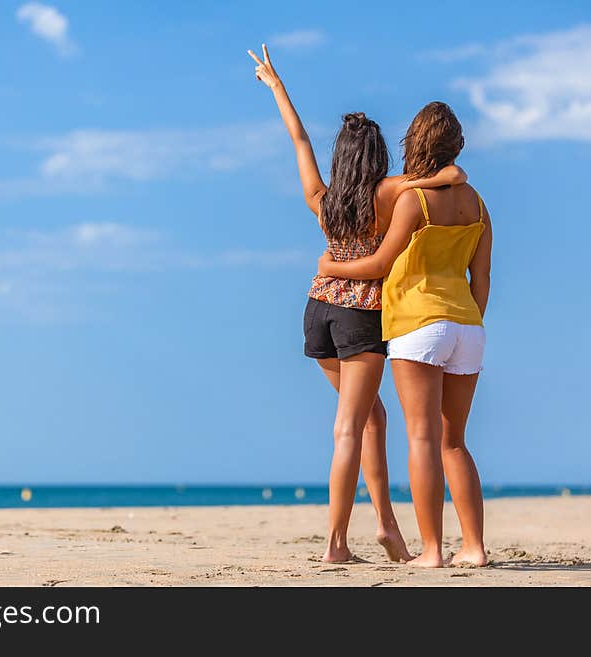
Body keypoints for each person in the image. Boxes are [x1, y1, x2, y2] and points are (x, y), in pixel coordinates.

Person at [248, 45, 467, 563]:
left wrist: (277, 87)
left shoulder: (320, 200)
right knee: (350, 426)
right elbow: (451, 177)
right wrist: (441, 176)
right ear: (378, 158)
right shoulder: (387, 194)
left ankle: (387, 528)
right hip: (360, 318)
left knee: (372, 419)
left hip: (316, 313)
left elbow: (298, 139)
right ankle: (335, 544)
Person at [318, 101, 492, 567]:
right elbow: (483, 280)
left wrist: (331, 266)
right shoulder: (477, 204)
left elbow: (379, 263)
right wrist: (466, 320)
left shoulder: (413, 201)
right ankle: (474, 548)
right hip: (467, 326)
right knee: (455, 441)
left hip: (418, 324)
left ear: (415, 143)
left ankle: (432, 550)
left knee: (421, 438)